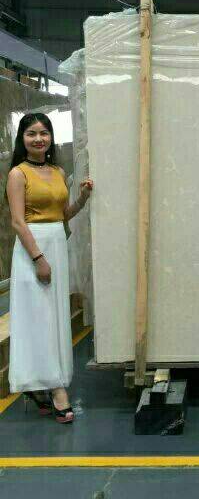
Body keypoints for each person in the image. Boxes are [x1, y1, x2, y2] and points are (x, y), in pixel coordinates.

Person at [6, 113, 93, 424]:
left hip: (56, 244)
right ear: (22, 139)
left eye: (44, 133)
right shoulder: (18, 174)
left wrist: (82, 198)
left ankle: (40, 383)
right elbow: (18, 222)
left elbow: (62, 214)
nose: (38, 139)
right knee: (39, 319)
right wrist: (38, 258)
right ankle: (56, 388)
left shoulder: (58, 172)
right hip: (33, 250)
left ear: (51, 137)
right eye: (31, 133)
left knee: (54, 318)